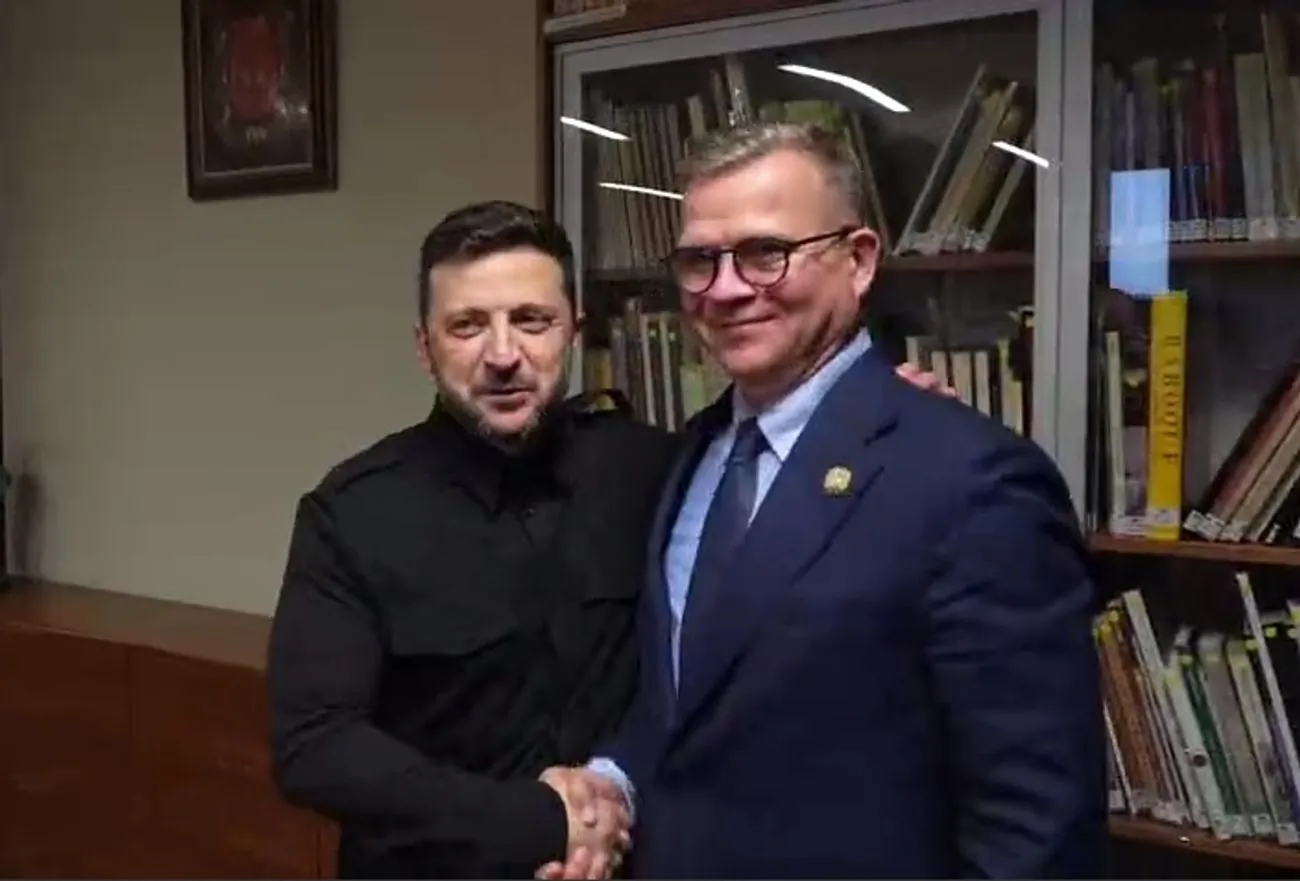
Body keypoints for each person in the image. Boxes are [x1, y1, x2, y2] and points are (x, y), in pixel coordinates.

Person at [266, 199, 952, 878]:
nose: (503, 355)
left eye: (532, 320)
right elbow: (315, 746)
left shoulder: (655, 469)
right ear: (425, 347)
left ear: (573, 331)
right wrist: (538, 822)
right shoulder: (353, 514)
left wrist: (870, 418)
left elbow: (778, 473)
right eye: (467, 325)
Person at [543, 121, 1107, 879]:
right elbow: (687, 704)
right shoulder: (694, 455)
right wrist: (609, 782)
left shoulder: (972, 482)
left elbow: (1036, 827)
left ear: (859, 260)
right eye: (700, 260)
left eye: (765, 253)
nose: (726, 289)